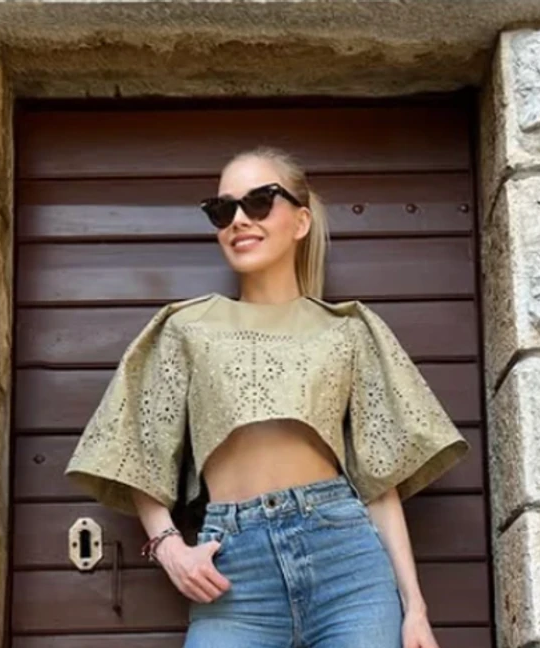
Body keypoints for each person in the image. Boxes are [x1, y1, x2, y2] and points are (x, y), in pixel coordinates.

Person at [64, 145, 470, 648]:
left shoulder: (348, 330)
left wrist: (416, 608)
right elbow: (138, 450)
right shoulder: (186, 327)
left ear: (301, 221)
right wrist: (169, 547)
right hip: (234, 577)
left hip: (348, 566)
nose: (239, 219)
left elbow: (378, 483)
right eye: (223, 209)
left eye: (258, 202)